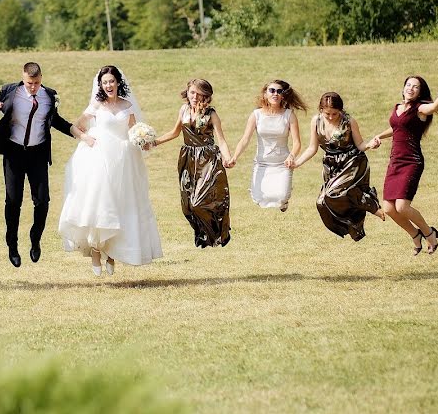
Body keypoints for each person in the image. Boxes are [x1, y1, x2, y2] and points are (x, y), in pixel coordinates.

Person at [58, 66, 163, 276]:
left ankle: (112, 251)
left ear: (118, 83)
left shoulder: (127, 105)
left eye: (112, 81)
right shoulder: (96, 105)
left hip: (124, 160)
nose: (108, 85)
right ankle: (96, 251)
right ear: (101, 85)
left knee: (120, 204)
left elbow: (134, 132)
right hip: (99, 158)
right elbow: (75, 126)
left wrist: (144, 141)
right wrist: (87, 138)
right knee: (101, 205)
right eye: (105, 82)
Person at [0, 62, 77, 268]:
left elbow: (55, 121)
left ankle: (35, 239)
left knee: (42, 201)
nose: (32, 87)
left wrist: (76, 132)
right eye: (28, 83)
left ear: (41, 78)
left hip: (38, 154)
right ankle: (12, 245)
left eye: (36, 83)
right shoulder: (10, 91)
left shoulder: (49, 96)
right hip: (14, 153)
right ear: (22, 77)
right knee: (13, 201)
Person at [370, 75, 438, 255]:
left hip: (411, 161)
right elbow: (396, 128)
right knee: (388, 208)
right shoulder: (397, 107)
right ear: (403, 88)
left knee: (402, 206)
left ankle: (429, 233)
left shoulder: (420, 109)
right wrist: (379, 136)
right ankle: (415, 235)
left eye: (415, 87)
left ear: (420, 92)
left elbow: (434, 107)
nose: (411, 88)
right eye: (408, 85)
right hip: (395, 161)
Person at [291, 92, 384, 241]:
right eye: (327, 113)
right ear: (321, 109)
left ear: (340, 110)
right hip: (331, 166)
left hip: (352, 162)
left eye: (335, 113)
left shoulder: (349, 121)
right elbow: (312, 148)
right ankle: (355, 225)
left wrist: (370, 145)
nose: (331, 117)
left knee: (333, 193)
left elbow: (360, 145)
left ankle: (371, 203)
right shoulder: (316, 121)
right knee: (321, 203)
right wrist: (297, 162)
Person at [151, 79, 233, 247]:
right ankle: (201, 234)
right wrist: (154, 142)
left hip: (207, 160)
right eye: (192, 92)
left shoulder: (211, 114)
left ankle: (216, 232)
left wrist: (227, 157)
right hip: (188, 158)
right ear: (187, 93)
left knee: (198, 203)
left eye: (199, 93)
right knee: (187, 206)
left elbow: (221, 140)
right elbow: (175, 132)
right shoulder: (183, 109)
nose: (195, 96)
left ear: (206, 95)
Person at [228, 80, 306, 211]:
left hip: (283, 164)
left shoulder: (289, 115)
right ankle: (257, 189)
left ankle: (285, 200)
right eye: (272, 90)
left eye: (279, 91)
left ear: (283, 96)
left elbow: (297, 142)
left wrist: (292, 156)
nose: (275, 94)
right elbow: (245, 139)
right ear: (265, 94)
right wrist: (234, 157)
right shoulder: (256, 115)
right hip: (262, 163)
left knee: (281, 198)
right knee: (258, 199)